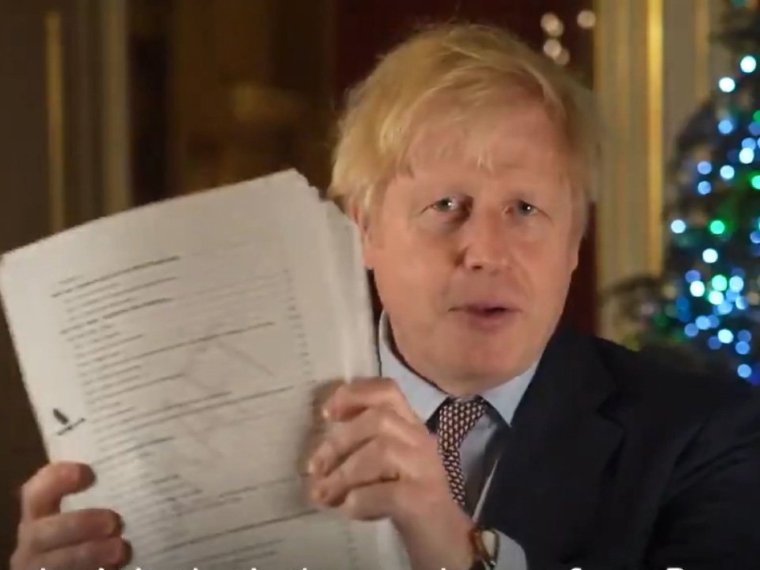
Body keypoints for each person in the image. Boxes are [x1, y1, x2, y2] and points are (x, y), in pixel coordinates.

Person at [10, 23, 760, 570]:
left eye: (526, 210)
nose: (486, 251)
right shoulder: (206, 429)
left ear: (574, 242)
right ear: (361, 229)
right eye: (446, 207)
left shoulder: (708, 439)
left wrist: (449, 541)